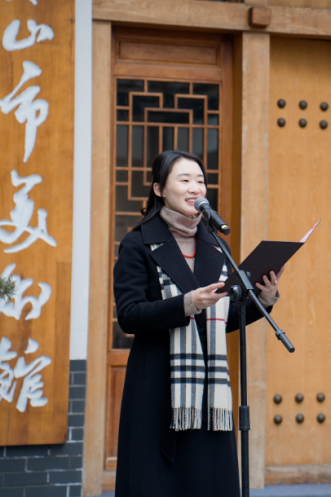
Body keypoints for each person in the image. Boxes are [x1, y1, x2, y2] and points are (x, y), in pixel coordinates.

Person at [112, 150, 284, 497]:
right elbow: (129, 315)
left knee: (207, 482)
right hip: (156, 387)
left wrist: (263, 300)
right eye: (185, 180)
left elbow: (219, 319)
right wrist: (187, 303)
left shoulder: (216, 246)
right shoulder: (138, 243)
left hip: (209, 391)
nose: (195, 188)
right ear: (159, 189)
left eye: (200, 181)